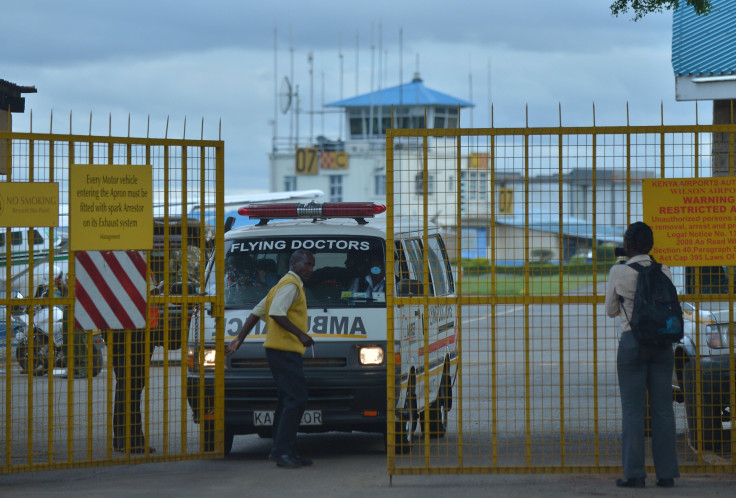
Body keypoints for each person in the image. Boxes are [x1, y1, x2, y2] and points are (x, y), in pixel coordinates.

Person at [225, 249, 316, 468]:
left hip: (280, 352)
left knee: (287, 400)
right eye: (306, 264)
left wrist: (239, 338)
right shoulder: (290, 285)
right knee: (296, 399)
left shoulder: (280, 285)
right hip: (284, 351)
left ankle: (286, 449)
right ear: (293, 263)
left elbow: (257, 311)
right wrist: (301, 334)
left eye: (312, 266)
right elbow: (275, 312)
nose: (310, 270)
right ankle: (282, 451)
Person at [605, 221, 679, 488]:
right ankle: (666, 475)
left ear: (629, 244)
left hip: (633, 344)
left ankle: (635, 475)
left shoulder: (619, 271)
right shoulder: (665, 270)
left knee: (633, 411)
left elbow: (611, 310)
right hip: (662, 346)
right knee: (663, 411)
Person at [111, 328, 155, 454]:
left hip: (131, 334)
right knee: (130, 386)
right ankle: (131, 440)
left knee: (129, 385)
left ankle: (124, 439)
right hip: (133, 335)